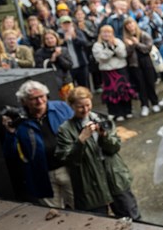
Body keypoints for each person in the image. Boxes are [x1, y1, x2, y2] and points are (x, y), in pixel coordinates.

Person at [56, 87, 140, 219]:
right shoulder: (65, 129)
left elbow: (115, 147)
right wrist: (81, 140)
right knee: (97, 223)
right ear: (71, 106)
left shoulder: (102, 119)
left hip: (113, 175)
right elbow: (68, 159)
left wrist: (104, 136)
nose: (85, 110)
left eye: (88, 105)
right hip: (89, 182)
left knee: (130, 216)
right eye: (80, 107)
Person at [2, 81, 74, 208]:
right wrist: (11, 133)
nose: (40, 101)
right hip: (42, 175)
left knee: (79, 207)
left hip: (68, 169)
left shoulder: (61, 108)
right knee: (53, 214)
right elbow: (11, 154)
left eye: (42, 96)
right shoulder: (19, 121)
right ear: (24, 101)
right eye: (34, 99)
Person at [92, 25, 136, 121]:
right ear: (100, 34)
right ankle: (116, 112)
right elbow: (101, 58)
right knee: (111, 92)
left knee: (124, 90)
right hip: (107, 71)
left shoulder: (118, 41)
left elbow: (123, 54)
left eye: (109, 32)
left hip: (120, 69)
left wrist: (114, 47)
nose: (106, 34)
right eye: (104, 32)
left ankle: (127, 110)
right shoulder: (97, 45)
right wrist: (110, 50)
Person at [123, 18, 160, 117]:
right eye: (127, 24)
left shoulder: (144, 34)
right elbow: (126, 53)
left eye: (131, 23)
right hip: (134, 64)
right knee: (140, 85)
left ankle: (155, 102)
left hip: (146, 62)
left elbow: (148, 48)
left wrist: (137, 44)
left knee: (150, 83)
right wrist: (130, 46)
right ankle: (144, 105)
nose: (130, 26)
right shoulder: (126, 39)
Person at [34, 30, 74, 99]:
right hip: (50, 84)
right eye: (47, 39)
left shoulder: (63, 50)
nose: (50, 40)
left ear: (56, 38)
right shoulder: (39, 53)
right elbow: (39, 68)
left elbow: (69, 66)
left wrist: (59, 56)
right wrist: (51, 61)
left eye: (51, 38)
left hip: (65, 83)